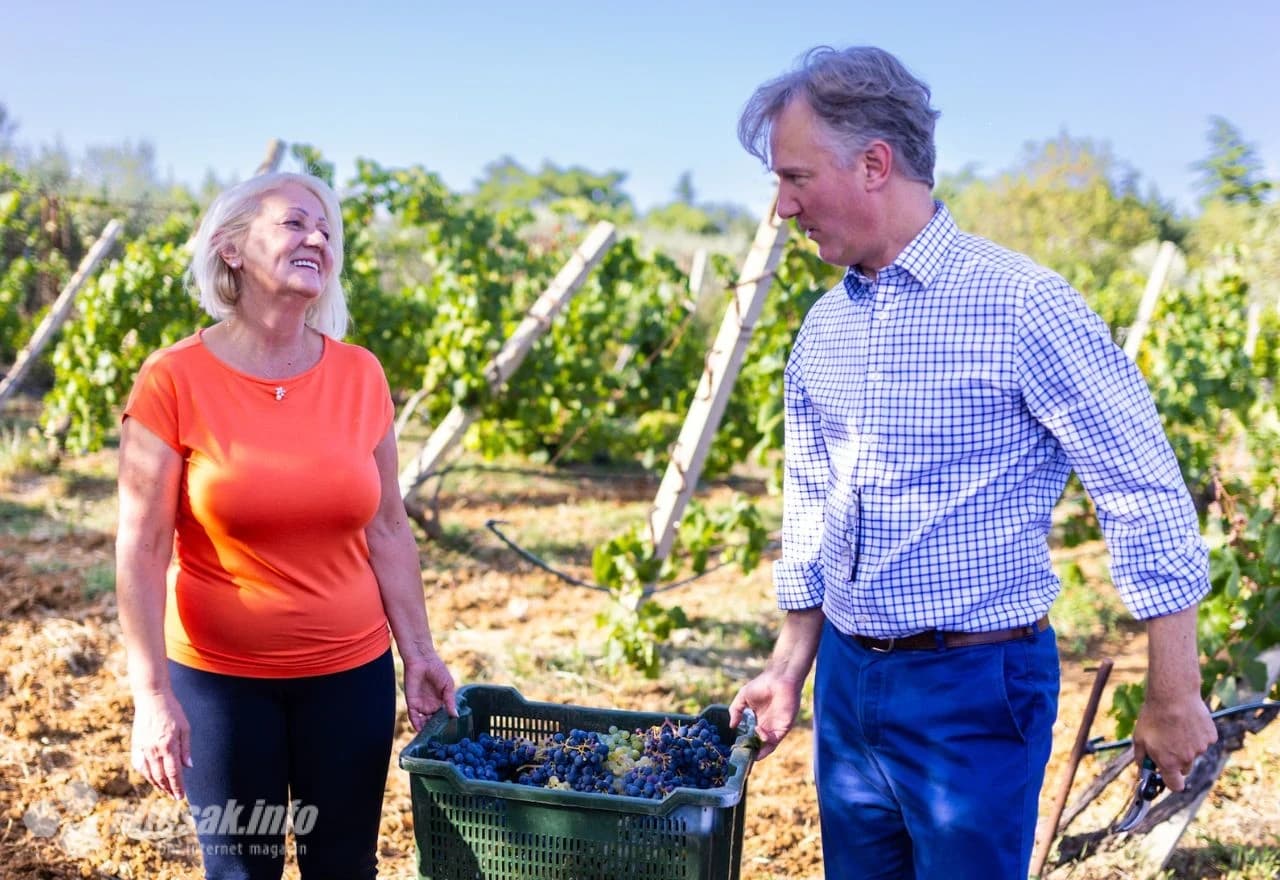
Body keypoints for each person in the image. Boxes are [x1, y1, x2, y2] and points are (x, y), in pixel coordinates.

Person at [726, 46, 1217, 880]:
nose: (782, 206)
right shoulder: (824, 329)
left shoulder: (1024, 304)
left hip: (974, 687)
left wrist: (1174, 690)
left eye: (796, 177)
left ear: (874, 164)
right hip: (847, 681)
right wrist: (789, 664)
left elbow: (1140, 488)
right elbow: (811, 503)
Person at [114, 171, 458, 879]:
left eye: (327, 231)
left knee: (344, 866)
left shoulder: (361, 376)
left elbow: (389, 529)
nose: (317, 239)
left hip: (351, 679)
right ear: (232, 248)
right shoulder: (173, 379)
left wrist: (419, 653)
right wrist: (150, 695)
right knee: (241, 870)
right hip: (218, 686)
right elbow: (142, 549)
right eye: (295, 222)